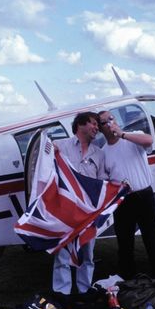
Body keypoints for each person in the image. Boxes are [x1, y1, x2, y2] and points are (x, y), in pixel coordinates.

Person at [97, 110, 155, 279]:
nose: (110, 123)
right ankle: (128, 280)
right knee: (125, 244)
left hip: (144, 196)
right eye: (105, 122)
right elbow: (104, 180)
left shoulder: (132, 136)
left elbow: (149, 141)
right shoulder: (104, 152)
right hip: (122, 201)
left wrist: (122, 134)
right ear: (100, 128)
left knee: (153, 241)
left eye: (111, 118)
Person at [51, 111, 105, 294]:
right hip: (65, 211)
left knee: (88, 254)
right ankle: (62, 293)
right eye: (93, 123)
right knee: (62, 255)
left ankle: (85, 290)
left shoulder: (99, 154)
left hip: (89, 212)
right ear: (80, 125)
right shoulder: (60, 146)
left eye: (97, 125)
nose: (97, 128)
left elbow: (101, 182)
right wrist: (48, 149)